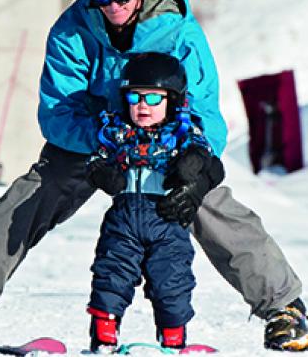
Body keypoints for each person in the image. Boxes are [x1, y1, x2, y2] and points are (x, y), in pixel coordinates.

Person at [0, 0, 308, 351]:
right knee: (33, 193)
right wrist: (106, 140)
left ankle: (287, 311)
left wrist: (196, 157)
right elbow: (58, 114)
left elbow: (207, 112)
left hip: (168, 143)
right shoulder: (71, 33)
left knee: (212, 204)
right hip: (98, 144)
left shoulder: (179, 34)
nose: (112, 5)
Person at [86, 53, 220, 352]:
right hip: (123, 220)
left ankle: (173, 337)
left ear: (172, 101)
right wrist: (101, 172)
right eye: (134, 97)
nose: (142, 105)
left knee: (172, 279)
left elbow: (207, 157)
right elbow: (98, 156)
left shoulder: (182, 135)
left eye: (153, 99)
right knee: (112, 272)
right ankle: (104, 333)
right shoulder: (118, 133)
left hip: (167, 219)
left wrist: (193, 163)